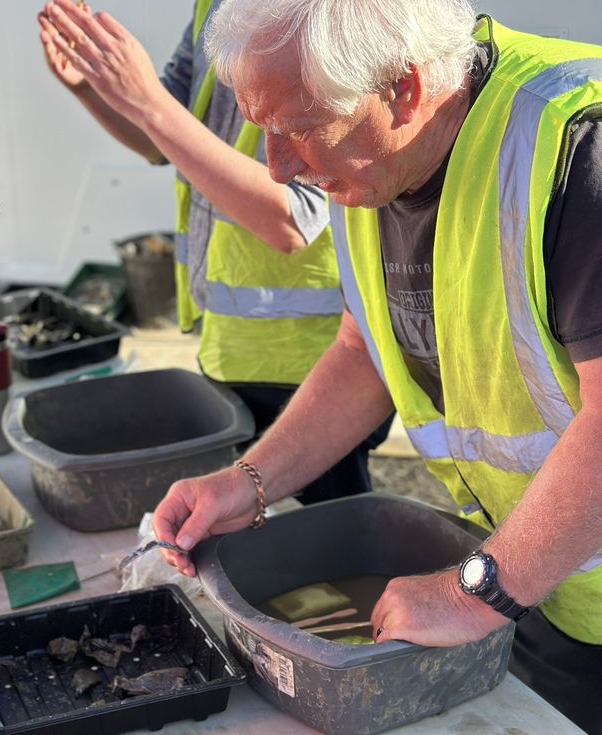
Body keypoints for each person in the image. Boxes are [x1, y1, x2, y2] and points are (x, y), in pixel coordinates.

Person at [151, 0, 602, 731]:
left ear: (404, 87)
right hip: (541, 581)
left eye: (298, 127)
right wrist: (248, 482)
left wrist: (468, 593)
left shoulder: (577, 147)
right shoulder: (376, 158)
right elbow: (364, 354)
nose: (278, 164)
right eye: (262, 128)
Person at [39, 0, 390, 503]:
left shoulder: (322, 16)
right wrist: (92, 89)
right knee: (255, 531)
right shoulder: (215, 8)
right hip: (232, 344)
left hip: (316, 365)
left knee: (329, 545)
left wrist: (146, 100)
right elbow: (162, 138)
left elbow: (292, 218)